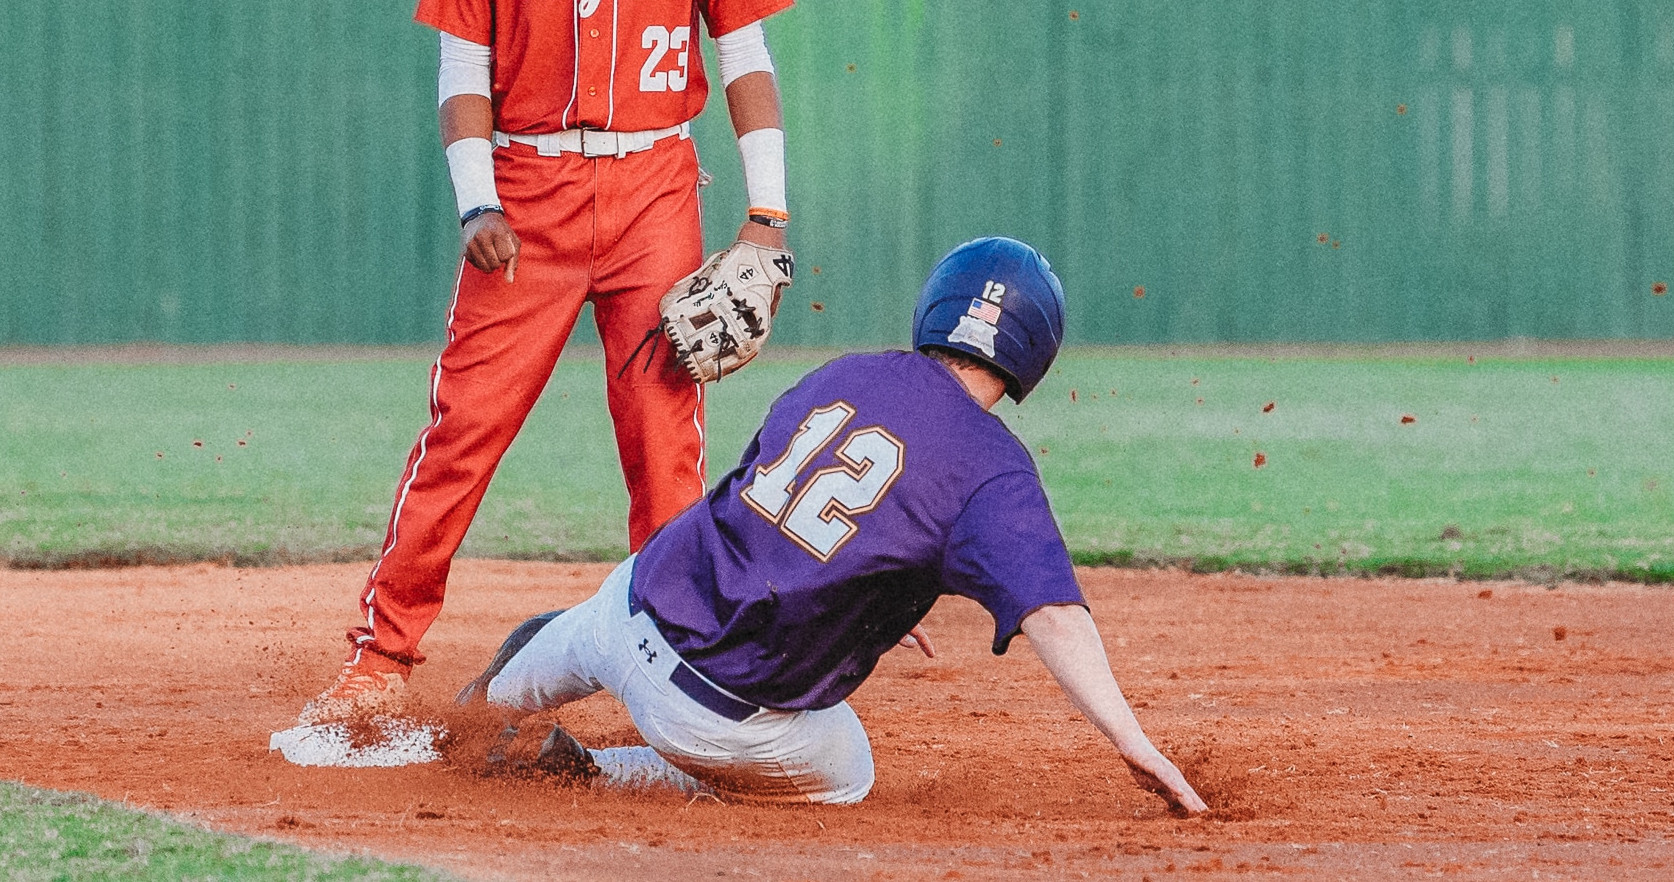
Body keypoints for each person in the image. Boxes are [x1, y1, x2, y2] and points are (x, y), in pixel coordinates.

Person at [304, 0, 797, 721]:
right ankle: (382, 655)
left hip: (655, 181)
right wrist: (475, 198)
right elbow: (461, 65)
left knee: (664, 440)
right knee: (463, 428)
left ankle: (676, 666)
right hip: (524, 187)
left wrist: (768, 213)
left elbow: (745, 50)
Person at [458, 238, 1209, 815]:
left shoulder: (846, 372)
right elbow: (1053, 615)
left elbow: (754, 490)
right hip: (708, 714)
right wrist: (1130, 739)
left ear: (936, 306)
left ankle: (488, 704)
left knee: (569, 644)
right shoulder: (993, 468)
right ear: (1034, 351)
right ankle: (592, 770)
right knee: (847, 771)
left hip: (628, 609)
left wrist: (863, 569)